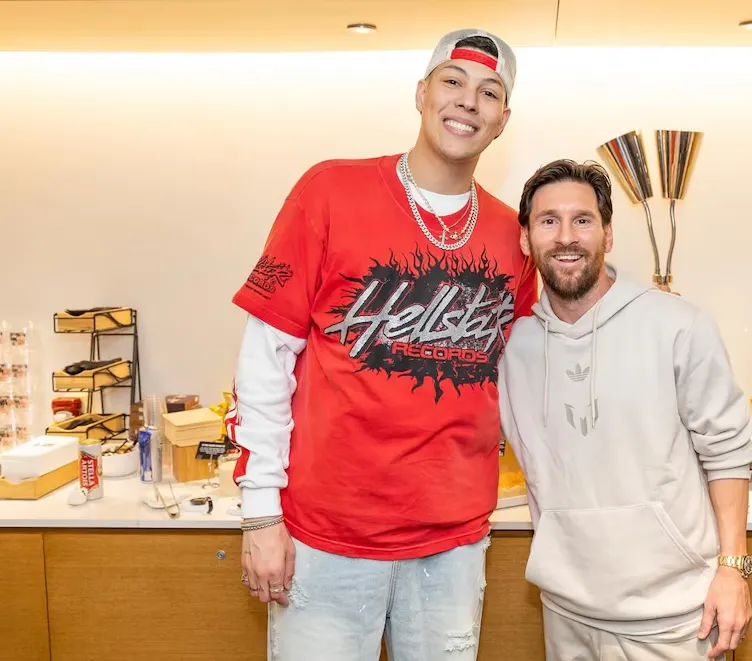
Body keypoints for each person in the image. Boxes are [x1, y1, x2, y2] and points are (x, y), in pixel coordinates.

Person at [225, 29, 538, 661]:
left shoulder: (513, 234)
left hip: (452, 543)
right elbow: (266, 357)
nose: (468, 102)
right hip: (327, 535)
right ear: (421, 94)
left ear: (503, 120)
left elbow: (531, 371)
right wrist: (261, 511)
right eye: (452, 82)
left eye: (489, 92)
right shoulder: (329, 191)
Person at [497, 159, 752, 661]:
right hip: (566, 612)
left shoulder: (678, 325)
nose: (566, 236)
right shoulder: (514, 346)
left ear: (608, 234)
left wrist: (733, 567)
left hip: (677, 619)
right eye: (548, 221)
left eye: (583, 220)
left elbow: (728, 452)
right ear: (526, 240)